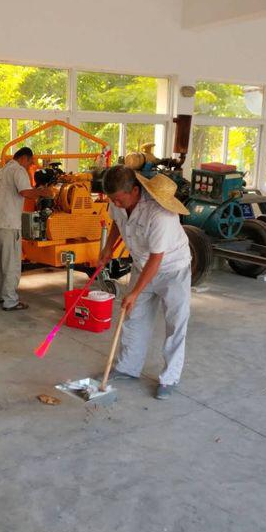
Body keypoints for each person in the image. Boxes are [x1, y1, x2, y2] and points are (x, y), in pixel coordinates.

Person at [98, 166, 192, 400]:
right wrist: (108, 247)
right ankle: (127, 367)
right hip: (142, 264)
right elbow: (117, 221)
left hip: (173, 269)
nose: (116, 204)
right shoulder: (118, 199)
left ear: (135, 191)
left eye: (119, 200)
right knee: (134, 317)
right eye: (112, 199)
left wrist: (134, 292)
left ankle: (169, 378)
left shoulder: (160, 215)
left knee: (175, 323)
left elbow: (156, 259)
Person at [0, 147, 52, 311]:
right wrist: (44, 192)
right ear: (23, 158)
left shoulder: (3, 171)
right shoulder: (18, 170)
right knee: (11, 264)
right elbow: (25, 192)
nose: (30, 166)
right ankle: (10, 301)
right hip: (10, 225)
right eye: (30, 162)